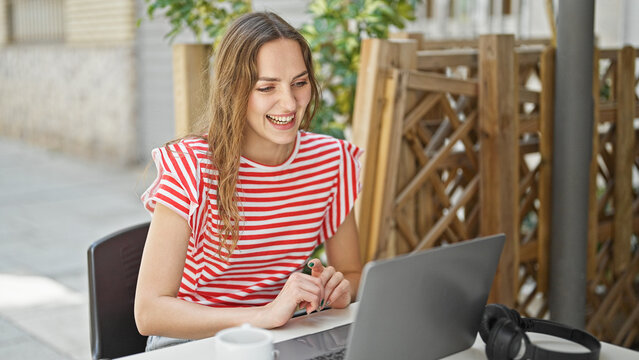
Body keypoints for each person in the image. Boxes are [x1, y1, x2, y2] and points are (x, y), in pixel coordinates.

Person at [134, 11, 363, 351]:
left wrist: (338, 289)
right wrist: (261, 315)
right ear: (235, 90)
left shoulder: (331, 161)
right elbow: (149, 312)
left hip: (284, 334)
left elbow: (353, 273)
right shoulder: (191, 166)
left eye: (299, 83)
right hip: (192, 341)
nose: (289, 103)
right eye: (267, 87)